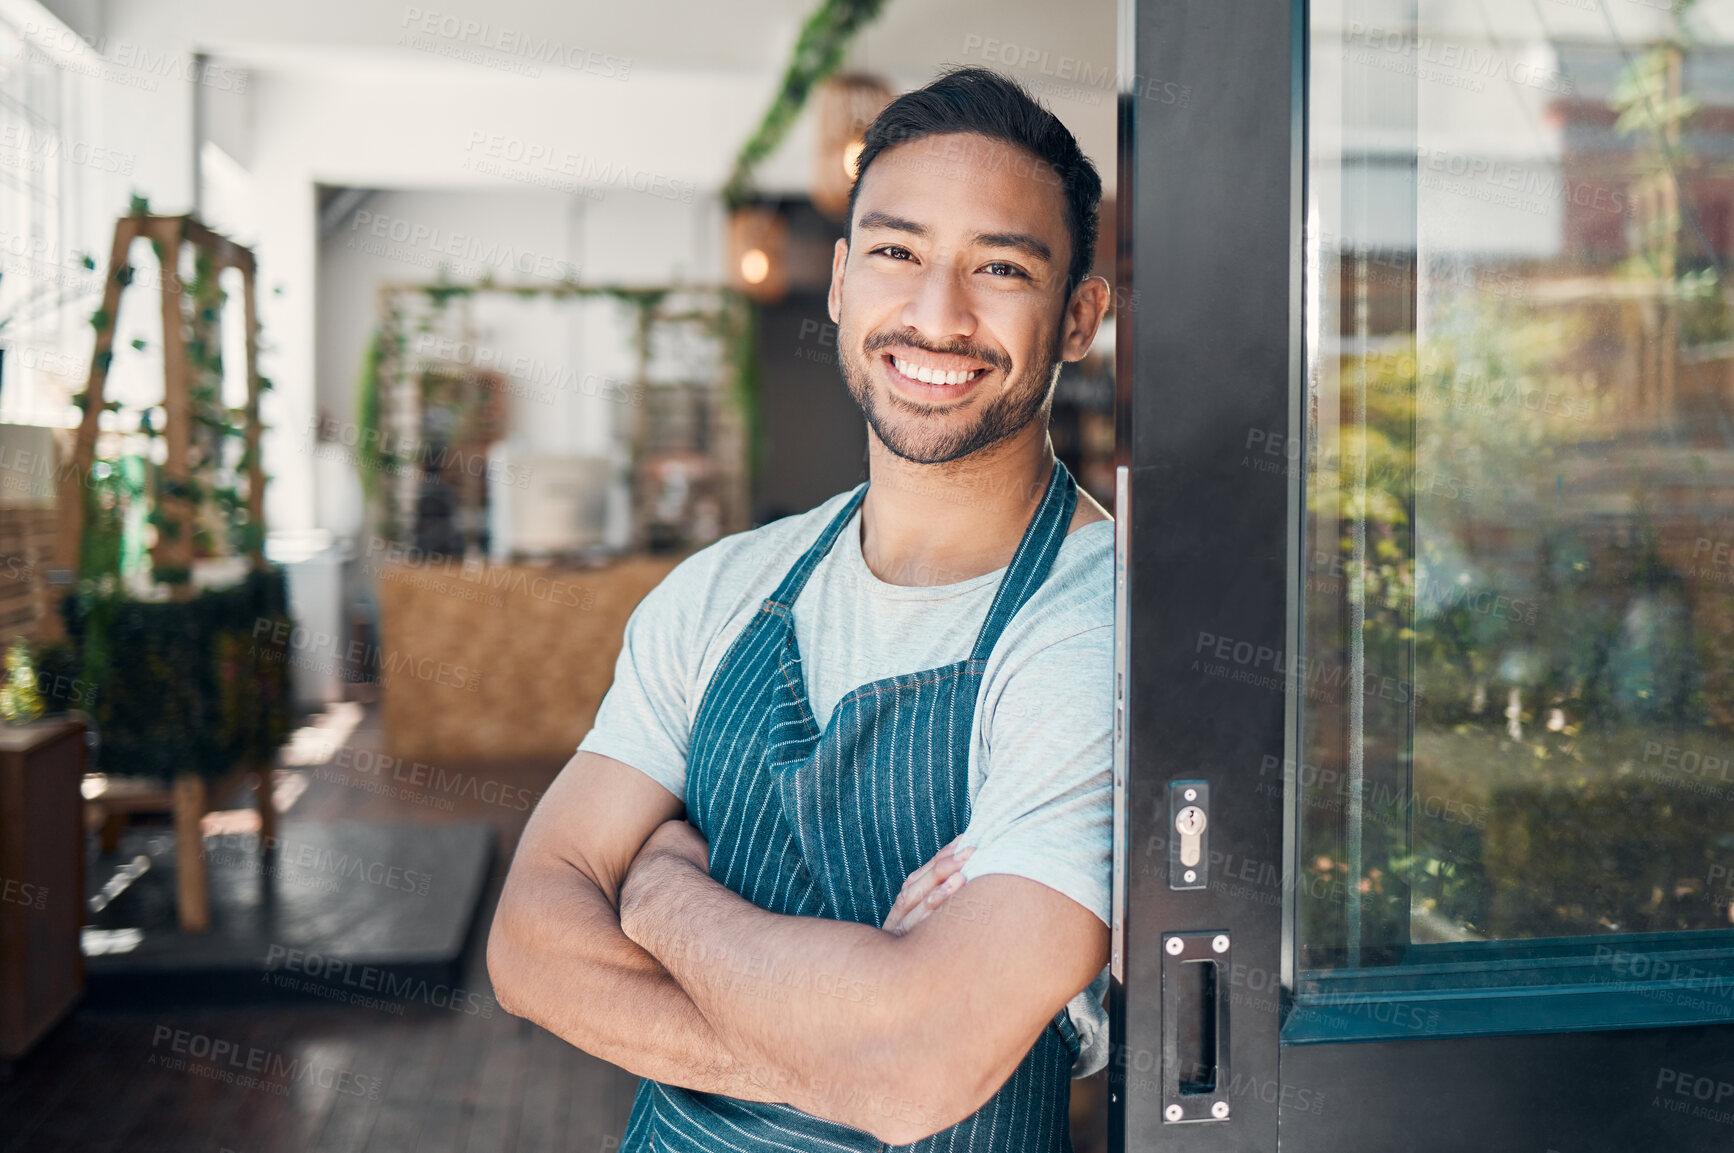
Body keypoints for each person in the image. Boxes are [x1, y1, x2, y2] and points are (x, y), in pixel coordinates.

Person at [488, 65, 1115, 1151]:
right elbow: (528, 945)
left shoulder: (1098, 632)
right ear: (838, 282)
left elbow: (926, 1066)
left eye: (1001, 268)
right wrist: (846, 1052)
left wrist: (663, 894)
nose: (936, 313)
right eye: (897, 252)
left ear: (1078, 318)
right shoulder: (722, 591)